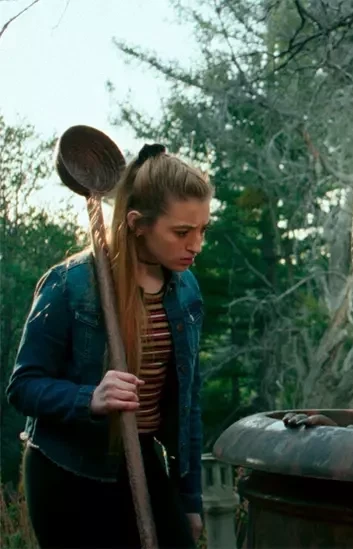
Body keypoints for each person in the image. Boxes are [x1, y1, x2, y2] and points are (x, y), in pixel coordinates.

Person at [7, 143, 213, 548]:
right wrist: (90, 398)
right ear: (137, 224)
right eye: (182, 232)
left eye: (203, 229)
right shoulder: (70, 285)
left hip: (141, 458)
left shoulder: (186, 290)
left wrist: (189, 499)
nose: (196, 245)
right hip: (69, 470)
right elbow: (23, 386)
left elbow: (189, 402)